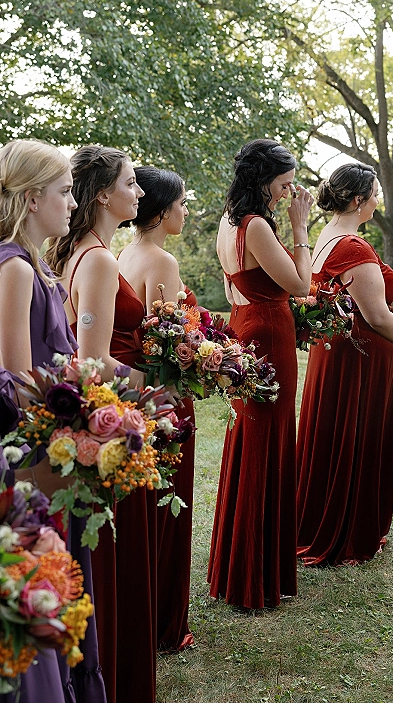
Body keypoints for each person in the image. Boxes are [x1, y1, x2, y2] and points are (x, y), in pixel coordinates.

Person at [45, 146, 156, 703]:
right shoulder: (98, 260)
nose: (139, 193)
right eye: (131, 184)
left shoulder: (83, 253)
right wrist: (158, 378)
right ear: (105, 195)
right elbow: (93, 362)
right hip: (102, 422)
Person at [0, 138, 106, 703]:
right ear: (33, 196)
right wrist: (80, 422)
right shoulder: (14, 267)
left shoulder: (35, 263)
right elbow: (17, 379)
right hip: (32, 455)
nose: (72, 202)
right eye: (65, 192)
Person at [208, 138, 313, 609]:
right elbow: (301, 285)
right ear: (264, 181)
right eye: (285, 184)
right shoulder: (256, 227)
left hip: (243, 324)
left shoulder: (227, 224)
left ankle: (240, 562)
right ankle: (255, 571)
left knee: (250, 437)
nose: (289, 193)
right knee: (266, 440)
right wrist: (301, 228)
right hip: (268, 332)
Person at [296, 163, 393, 566]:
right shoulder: (353, 246)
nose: (379, 200)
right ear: (358, 199)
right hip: (361, 359)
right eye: (376, 193)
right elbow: (377, 314)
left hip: (339, 353)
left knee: (337, 433)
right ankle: (348, 530)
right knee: (357, 433)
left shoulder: (326, 237)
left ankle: (322, 518)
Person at [118, 165, 195, 651]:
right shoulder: (161, 262)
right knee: (169, 503)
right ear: (163, 210)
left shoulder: (123, 253)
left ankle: (140, 607)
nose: (185, 211)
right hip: (163, 393)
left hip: (131, 389)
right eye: (183, 203)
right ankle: (164, 620)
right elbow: (166, 341)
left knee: (143, 501)